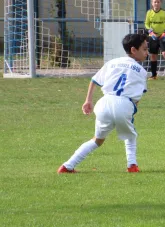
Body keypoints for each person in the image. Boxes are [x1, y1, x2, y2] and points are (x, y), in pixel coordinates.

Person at [57, 33, 149, 174]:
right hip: (123, 104)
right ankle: (132, 166)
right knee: (130, 135)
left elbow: (94, 80)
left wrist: (88, 100)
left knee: (97, 140)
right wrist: (131, 109)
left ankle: (67, 166)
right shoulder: (142, 71)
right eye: (144, 49)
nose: (147, 53)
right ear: (133, 50)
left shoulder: (112, 63)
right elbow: (138, 97)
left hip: (103, 103)